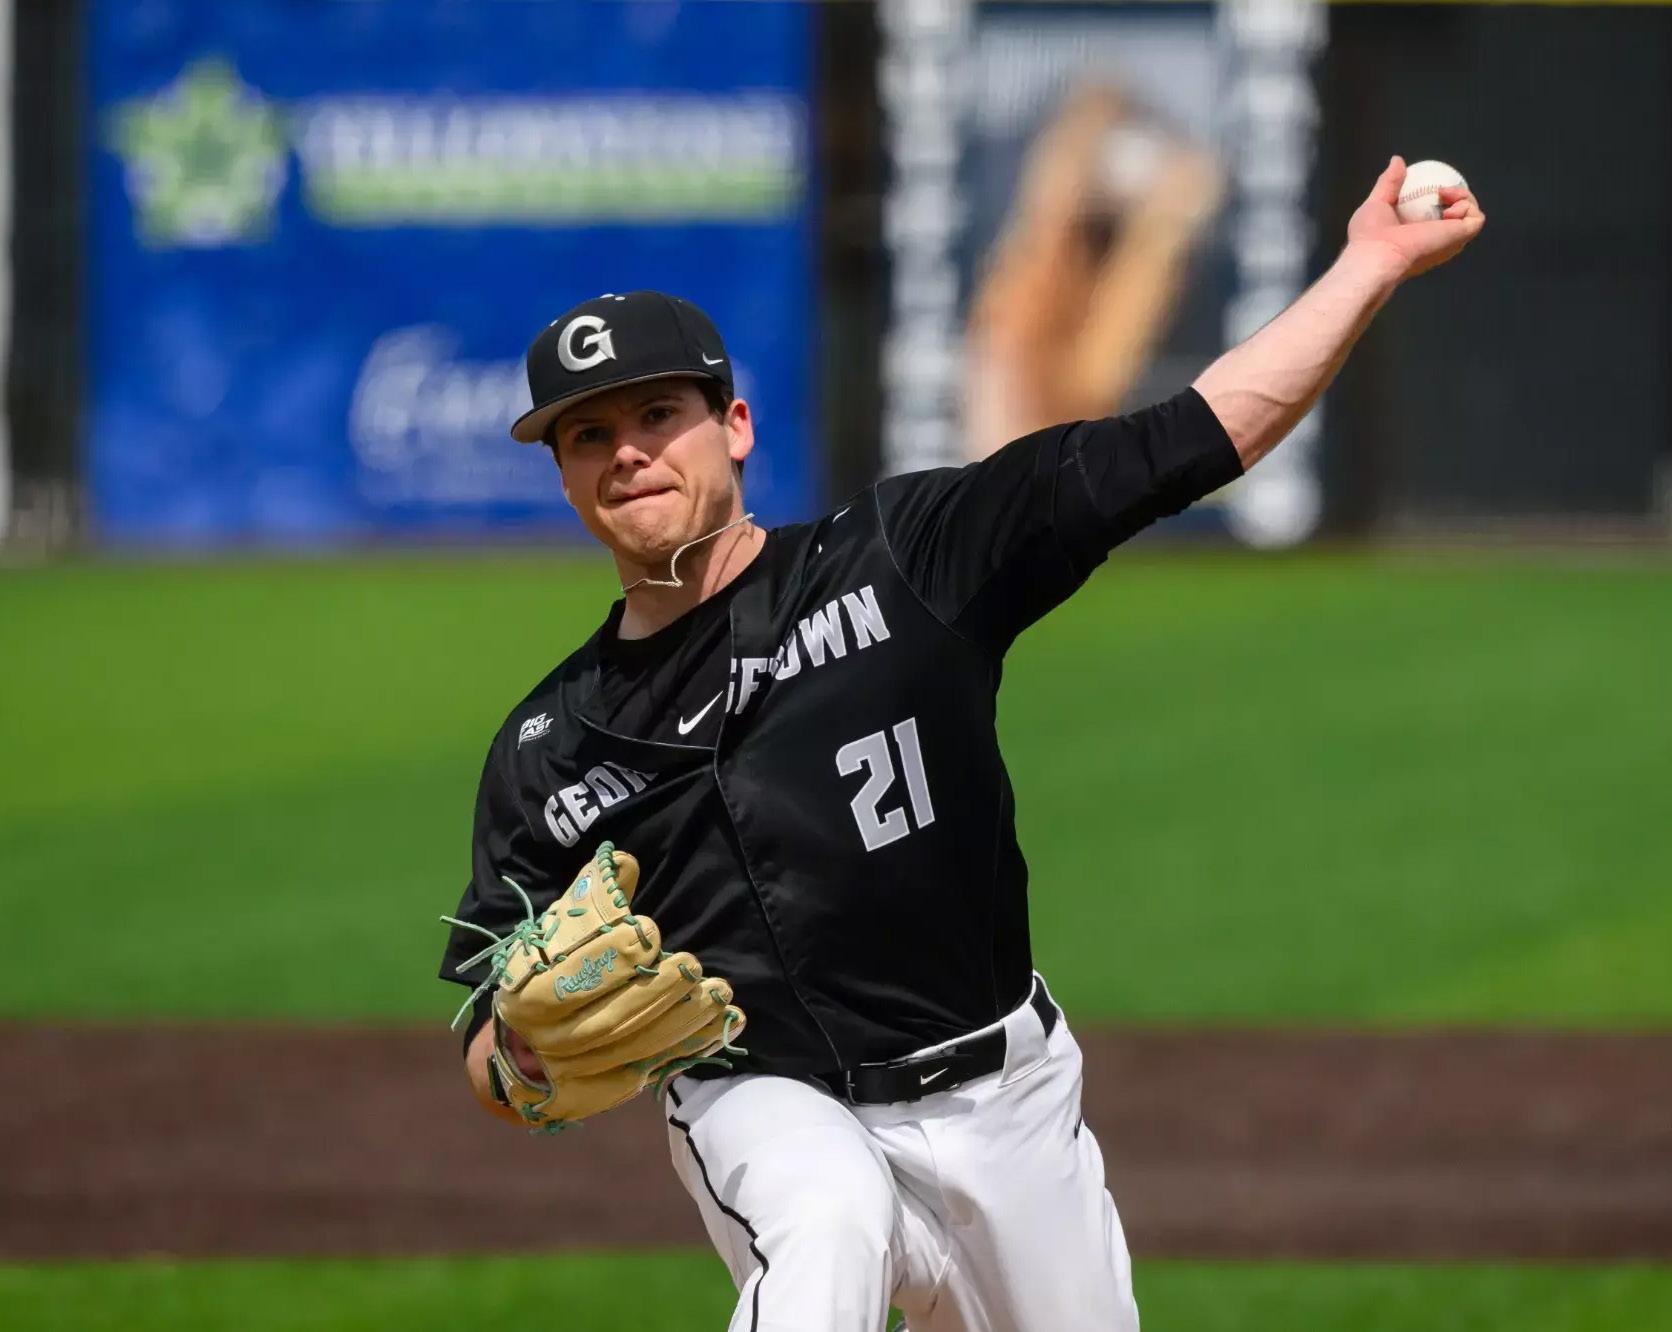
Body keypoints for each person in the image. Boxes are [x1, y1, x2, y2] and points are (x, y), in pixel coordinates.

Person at [438, 157, 1484, 1332]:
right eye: (587, 435)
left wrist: (1368, 264)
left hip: (1004, 1103)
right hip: (764, 1099)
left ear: (734, 427)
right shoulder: (551, 746)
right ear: (566, 476)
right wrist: (523, 1053)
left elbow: (1192, 435)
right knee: (826, 1223)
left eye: (655, 416)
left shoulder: (903, 558)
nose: (626, 452)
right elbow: (489, 1036)